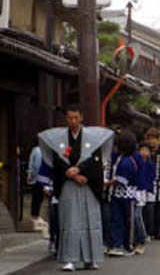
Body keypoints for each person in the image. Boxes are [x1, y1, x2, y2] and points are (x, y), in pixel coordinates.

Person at [38, 105, 114, 271]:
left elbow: (96, 159)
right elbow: (56, 160)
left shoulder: (91, 137)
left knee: (90, 220)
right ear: (66, 118)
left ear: (81, 117)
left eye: (76, 118)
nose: (73, 121)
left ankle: (91, 258)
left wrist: (81, 171)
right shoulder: (59, 139)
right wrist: (72, 174)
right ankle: (70, 259)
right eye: (70, 118)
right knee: (70, 221)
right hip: (68, 183)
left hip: (87, 183)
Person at [109, 131, 138, 257]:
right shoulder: (121, 158)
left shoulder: (126, 161)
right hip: (118, 195)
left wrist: (108, 183)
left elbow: (121, 181)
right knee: (118, 220)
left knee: (125, 221)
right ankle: (118, 244)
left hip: (127, 195)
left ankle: (127, 245)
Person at [27, 142, 48, 232]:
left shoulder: (43, 150)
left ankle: (35, 216)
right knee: (37, 197)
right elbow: (33, 164)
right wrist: (31, 175)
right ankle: (35, 216)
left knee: (39, 197)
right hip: (38, 177)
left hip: (42, 177)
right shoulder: (38, 150)